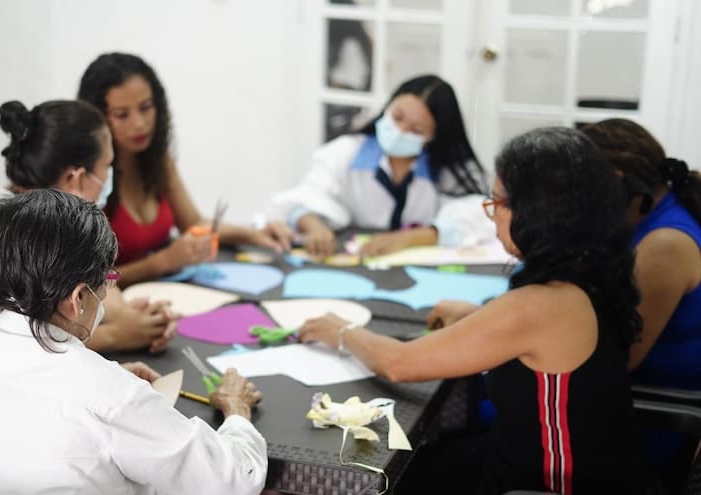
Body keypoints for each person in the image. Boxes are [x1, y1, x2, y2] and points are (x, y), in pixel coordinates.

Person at [298, 127, 648, 493]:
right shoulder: (592, 269)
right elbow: (542, 346)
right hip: (557, 465)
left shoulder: (540, 304)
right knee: (424, 459)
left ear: (538, 214)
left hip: (545, 485)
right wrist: (476, 319)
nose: (491, 215)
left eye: (497, 203)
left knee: (381, 478)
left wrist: (340, 331)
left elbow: (398, 364)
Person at [0, 99, 178, 493]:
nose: (112, 179)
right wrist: (120, 336)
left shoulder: (62, 227)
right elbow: (5, 333)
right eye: (108, 168)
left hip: (7, 398)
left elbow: (97, 287)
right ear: (76, 177)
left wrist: (132, 315)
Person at [0, 189, 266, 494]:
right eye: (107, 281)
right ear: (79, 298)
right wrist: (237, 412)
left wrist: (112, 381)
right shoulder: (107, 394)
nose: (107, 291)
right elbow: (232, 480)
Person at [77, 52, 292, 287]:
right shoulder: (89, 179)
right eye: (122, 115)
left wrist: (252, 233)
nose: (139, 123)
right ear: (98, 118)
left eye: (146, 107)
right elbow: (88, 282)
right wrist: (162, 262)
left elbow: (193, 222)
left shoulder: (158, 158)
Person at [582, 119, 701, 476]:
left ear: (616, 183)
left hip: (647, 420)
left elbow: (616, 356)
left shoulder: (665, 245)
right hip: (626, 396)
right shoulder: (651, 215)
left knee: (478, 411)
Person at [268, 75, 490, 257]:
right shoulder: (345, 152)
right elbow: (306, 196)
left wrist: (413, 237)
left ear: (434, 137)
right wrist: (312, 225)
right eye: (397, 116)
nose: (400, 131)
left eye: (416, 130)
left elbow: (480, 216)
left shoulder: (449, 169)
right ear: (387, 106)